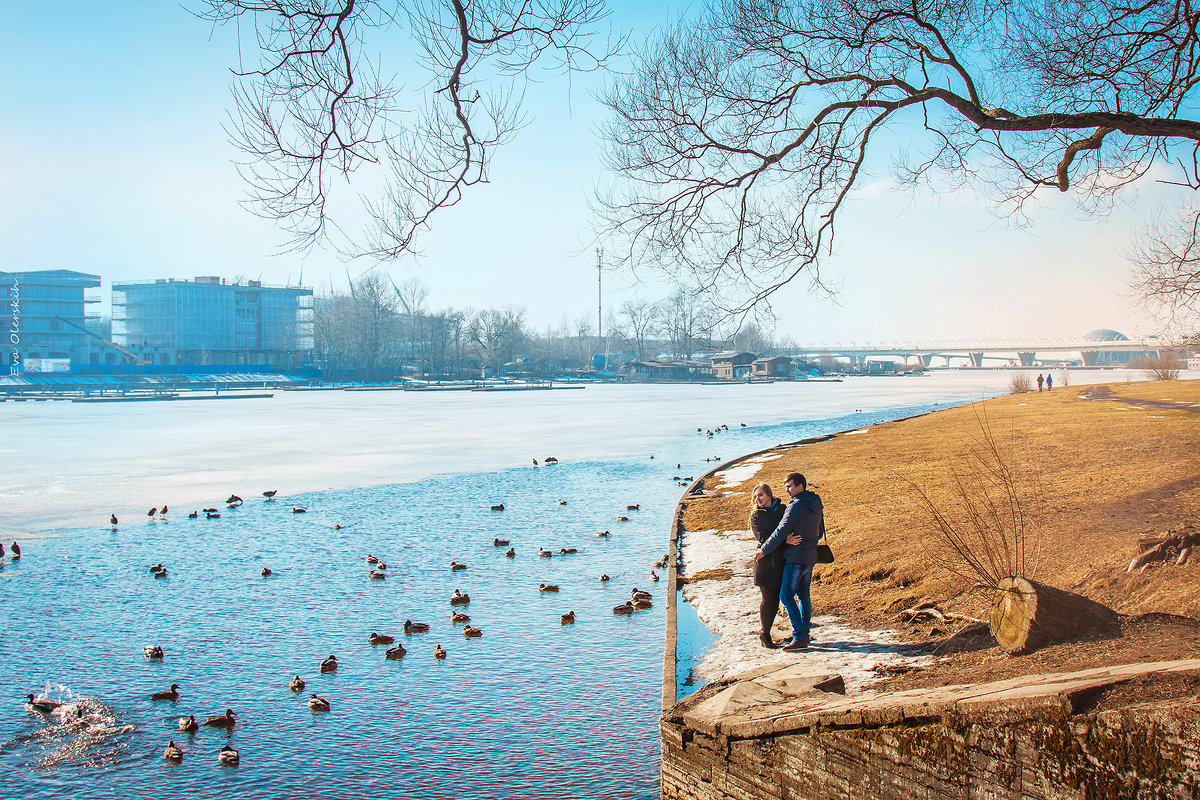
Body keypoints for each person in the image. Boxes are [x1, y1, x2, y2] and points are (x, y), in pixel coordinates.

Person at [755, 473, 823, 651]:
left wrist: (763, 550)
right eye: (785, 487)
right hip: (810, 556)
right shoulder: (815, 502)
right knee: (803, 596)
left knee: (785, 596)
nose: (786, 490)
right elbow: (819, 529)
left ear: (800, 486)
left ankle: (799, 637)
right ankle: (804, 633)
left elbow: (780, 532)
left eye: (790, 486)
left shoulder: (795, 506)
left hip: (795, 558)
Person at [749, 483, 801, 649]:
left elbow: (790, 527)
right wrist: (785, 540)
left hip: (782, 561)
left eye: (761, 495)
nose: (758, 499)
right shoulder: (756, 516)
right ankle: (765, 634)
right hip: (765, 562)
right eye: (756, 496)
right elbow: (763, 538)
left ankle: (795, 633)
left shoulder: (782, 509)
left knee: (778, 599)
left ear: (769, 495)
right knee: (768, 599)